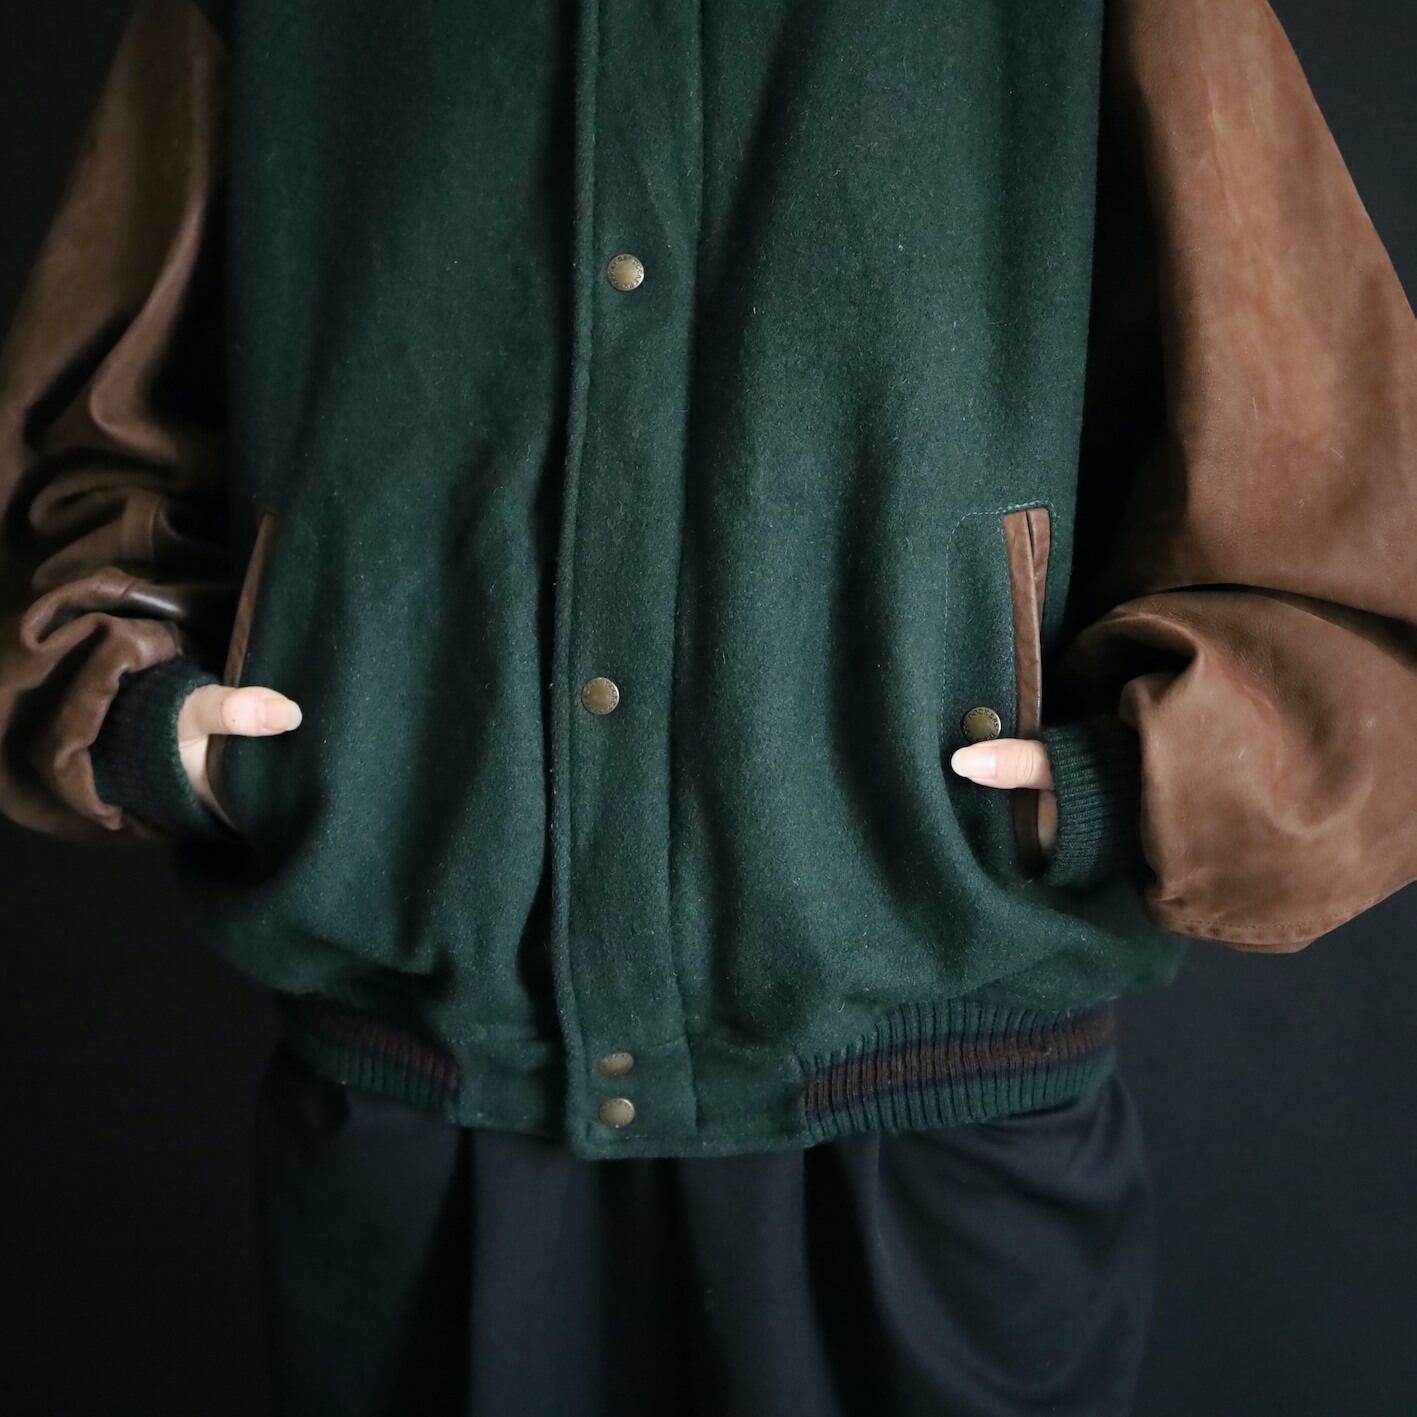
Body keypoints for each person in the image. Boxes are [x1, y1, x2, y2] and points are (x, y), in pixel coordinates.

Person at [0, 1, 1412, 1413]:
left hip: (937, 1097)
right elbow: (84, 428)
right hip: (415, 1078)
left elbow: (1339, 496)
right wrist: (146, 717)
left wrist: (1124, 788)